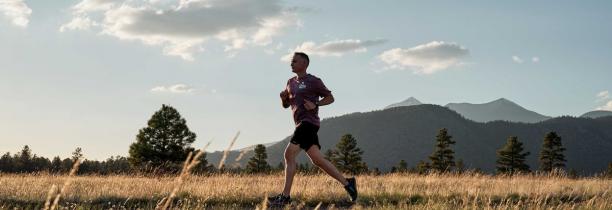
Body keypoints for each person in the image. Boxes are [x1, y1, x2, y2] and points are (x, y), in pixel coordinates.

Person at [268, 52, 358, 205]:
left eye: (294, 61)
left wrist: (316, 104)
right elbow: (287, 105)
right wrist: (283, 99)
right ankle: (348, 184)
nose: (291, 64)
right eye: (291, 61)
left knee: (289, 155)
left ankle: (285, 197)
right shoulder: (290, 82)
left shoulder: (314, 81)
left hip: (308, 123)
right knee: (318, 160)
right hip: (300, 124)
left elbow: (330, 98)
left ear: (304, 64)